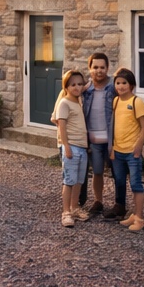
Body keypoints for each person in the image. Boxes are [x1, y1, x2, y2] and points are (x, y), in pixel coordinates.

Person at [109, 69, 144, 232]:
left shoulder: (136, 102)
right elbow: (113, 126)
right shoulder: (116, 101)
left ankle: (139, 218)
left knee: (135, 184)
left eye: (124, 83)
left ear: (131, 85)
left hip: (132, 152)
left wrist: (138, 147)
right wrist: (111, 148)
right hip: (117, 152)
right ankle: (132, 214)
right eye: (118, 83)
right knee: (119, 182)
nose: (121, 86)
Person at [80, 53, 116, 216]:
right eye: (95, 67)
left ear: (107, 68)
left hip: (113, 139)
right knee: (97, 172)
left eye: (102, 67)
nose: (99, 71)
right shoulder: (85, 90)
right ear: (90, 69)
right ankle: (98, 201)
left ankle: (119, 203)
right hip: (94, 140)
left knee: (118, 173)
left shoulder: (115, 88)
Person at [54, 69, 90, 228]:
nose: (77, 87)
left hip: (83, 147)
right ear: (66, 87)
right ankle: (66, 212)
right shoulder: (64, 103)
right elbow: (61, 126)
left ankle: (75, 207)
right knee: (69, 180)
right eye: (73, 84)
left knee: (79, 181)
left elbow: (88, 86)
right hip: (72, 147)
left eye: (80, 84)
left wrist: (88, 85)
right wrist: (66, 146)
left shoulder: (79, 101)